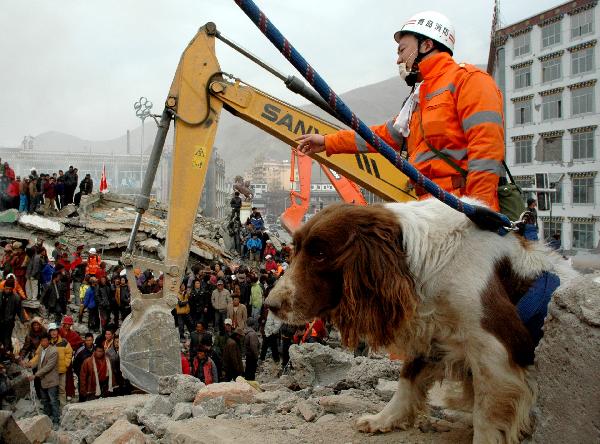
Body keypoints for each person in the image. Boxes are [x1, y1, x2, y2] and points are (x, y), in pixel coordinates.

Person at [296, 11, 504, 211]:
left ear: (427, 45)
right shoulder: (418, 99)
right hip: (430, 207)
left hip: (459, 208)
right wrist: (327, 142)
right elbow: (380, 137)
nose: (398, 60)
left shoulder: (469, 81)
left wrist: (479, 210)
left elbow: (486, 148)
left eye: (402, 50)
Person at [29, 323, 72, 407]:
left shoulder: (64, 342)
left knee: (62, 389)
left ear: (57, 331)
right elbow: (38, 355)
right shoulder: (45, 342)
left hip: (61, 370)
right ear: (49, 332)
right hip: (50, 372)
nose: (53, 332)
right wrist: (31, 363)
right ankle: (51, 408)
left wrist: (66, 363)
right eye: (51, 331)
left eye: (55, 330)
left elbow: (69, 352)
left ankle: (63, 407)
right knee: (50, 389)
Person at [27, 333, 60, 427]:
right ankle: (47, 418)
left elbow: (48, 367)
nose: (42, 342)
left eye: (44, 340)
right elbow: (38, 362)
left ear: (49, 341)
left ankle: (56, 421)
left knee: (53, 401)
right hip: (43, 380)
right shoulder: (41, 349)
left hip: (52, 380)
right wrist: (29, 365)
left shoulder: (54, 351)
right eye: (41, 341)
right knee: (45, 400)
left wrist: (35, 375)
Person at [59, 316, 83, 402]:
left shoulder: (73, 334)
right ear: (63, 324)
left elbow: (80, 342)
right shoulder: (58, 331)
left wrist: (73, 350)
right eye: (66, 324)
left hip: (68, 358)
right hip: (58, 357)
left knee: (69, 375)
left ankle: (69, 393)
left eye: (69, 324)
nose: (68, 326)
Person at [0, 278, 25, 353]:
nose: (8, 291)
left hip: (9, 322)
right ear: (4, 287)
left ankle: (7, 352)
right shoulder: (0, 295)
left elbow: (20, 310)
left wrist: (23, 320)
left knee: (7, 337)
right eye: (6, 288)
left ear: (12, 289)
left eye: (10, 289)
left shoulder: (16, 298)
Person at [73, 333, 95, 400]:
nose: (89, 342)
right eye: (87, 340)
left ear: (93, 340)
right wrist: (80, 374)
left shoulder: (97, 349)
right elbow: (75, 364)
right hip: (83, 376)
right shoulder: (80, 350)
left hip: (94, 376)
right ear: (85, 341)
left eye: (90, 340)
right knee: (83, 393)